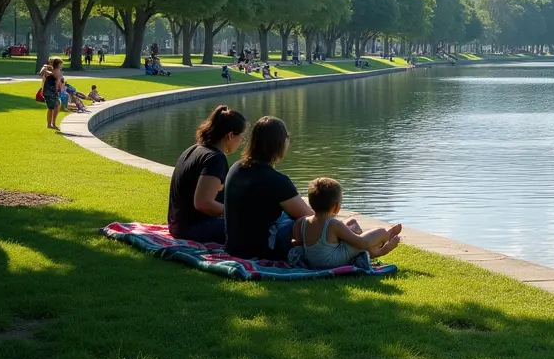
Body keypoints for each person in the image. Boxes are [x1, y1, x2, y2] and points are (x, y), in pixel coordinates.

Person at [224, 116, 313, 260]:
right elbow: (312, 218)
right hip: (260, 251)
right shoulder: (277, 181)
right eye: (287, 137)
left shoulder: (236, 168)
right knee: (308, 224)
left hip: (233, 247)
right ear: (279, 143)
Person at [168, 106, 249, 243]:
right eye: (241, 137)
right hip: (191, 228)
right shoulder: (215, 159)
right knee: (255, 225)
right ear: (230, 136)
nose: (242, 141)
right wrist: (235, 212)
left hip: (178, 225)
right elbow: (203, 203)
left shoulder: (195, 149)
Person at [292, 178, 402, 268]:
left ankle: (371, 249)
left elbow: (297, 243)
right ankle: (382, 243)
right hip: (332, 261)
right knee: (379, 232)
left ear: (311, 203)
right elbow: (361, 243)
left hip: (314, 261)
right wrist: (370, 240)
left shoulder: (301, 221)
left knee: (351, 222)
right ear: (336, 207)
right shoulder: (333, 224)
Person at [39, 57, 64, 130]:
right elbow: (57, 81)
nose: (62, 65)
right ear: (58, 64)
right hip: (50, 92)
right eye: (61, 64)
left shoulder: (55, 71)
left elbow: (59, 81)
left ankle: (52, 123)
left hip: (51, 92)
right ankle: (51, 124)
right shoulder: (53, 71)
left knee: (56, 105)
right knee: (52, 107)